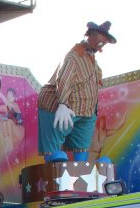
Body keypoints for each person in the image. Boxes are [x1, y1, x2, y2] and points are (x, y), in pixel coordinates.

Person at [36, 20, 117, 162]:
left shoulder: (92, 61)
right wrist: (62, 104)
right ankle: (54, 165)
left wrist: (92, 111)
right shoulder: (74, 56)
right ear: (90, 35)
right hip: (59, 107)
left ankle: (83, 168)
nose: (101, 43)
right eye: (99, 38)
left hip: (86, 112)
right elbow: (64, 79)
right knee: (54, 141)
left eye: (104, 41)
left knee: (81, 147)